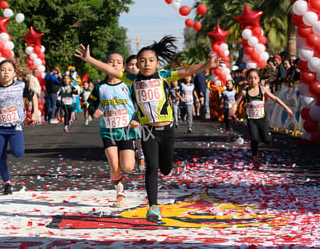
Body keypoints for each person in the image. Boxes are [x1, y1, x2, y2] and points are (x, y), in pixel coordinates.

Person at [75, 35, 220, 223]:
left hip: (166, 130)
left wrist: (207, 65)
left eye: (150, 60)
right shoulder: (131, 80)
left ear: (157, 62)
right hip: (148, 131)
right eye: (142, 61)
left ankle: (165, 167)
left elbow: (186, 71)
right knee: (151, 167)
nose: (146, 64)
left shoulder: (163, 75)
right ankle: (153, 207)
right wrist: (89, 60)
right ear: (137, 64)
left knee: (165, 169)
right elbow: (109, 69)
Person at [87, 52, 140, 208]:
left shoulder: (128, 85)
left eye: (118, 62)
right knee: (113, 164)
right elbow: (90, 103)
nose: (114, 65)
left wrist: (136, 119)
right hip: (107, 130)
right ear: (105, 65)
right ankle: (120, 191)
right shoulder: (99, 87)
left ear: (123, 67)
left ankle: (135, 154)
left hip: (126, 130)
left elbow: (139, 105)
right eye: (111, 62)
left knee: (128, 167)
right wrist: (93, 111)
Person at [0, 59, 38, 195]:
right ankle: (6, 182)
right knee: (0, 156)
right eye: (2, 70)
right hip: (1, 127)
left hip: (15, 127)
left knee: (18, 153)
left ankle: (14, 154)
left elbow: (33, 96)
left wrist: (35, 112)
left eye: (9, 70)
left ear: (14, 73)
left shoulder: (21, 86)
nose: (6, 72)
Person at [229, 69, 293, 170]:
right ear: (247, 79)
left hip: (262, 119)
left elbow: (275, 98)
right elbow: (237, 102)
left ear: (259, 79)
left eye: (255, 78)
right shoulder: (245, 91)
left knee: (267, 140)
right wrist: (233, 108)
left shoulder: (262, 89)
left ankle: (263, 140)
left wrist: (287, 108)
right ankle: (255, 160)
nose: (252, 80)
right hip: (251, 119)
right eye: (250, 78)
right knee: (253, 139)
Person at [125, 54, 145, 171]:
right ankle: (130, 157)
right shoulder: (122, 80)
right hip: (125, 112)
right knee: (126, 136)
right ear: (126, 67)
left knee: (138, 136)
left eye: (135, 65)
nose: (133, 67)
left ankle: (141, 156)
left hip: (138, 112)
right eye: (130, 65)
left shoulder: (141, 80)